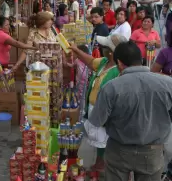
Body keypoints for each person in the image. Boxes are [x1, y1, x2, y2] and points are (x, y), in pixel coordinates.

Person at [87, 41, 172, 181]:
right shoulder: (167, 84)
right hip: (152, 152)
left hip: (118, 150)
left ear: (119, 63)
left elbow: (97, 121)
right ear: (140, 59)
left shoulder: (111, 87)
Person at [71, 34, 127, 172]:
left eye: (104, 47)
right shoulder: (104, 62)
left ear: (111, 52)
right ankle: (95, 163)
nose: (101, 48)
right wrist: (76, 50)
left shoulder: (118, 71)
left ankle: (101, 166)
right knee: (94, 137)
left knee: (103, 139)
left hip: (105, 111)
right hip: (93, 108)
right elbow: (90, 61)